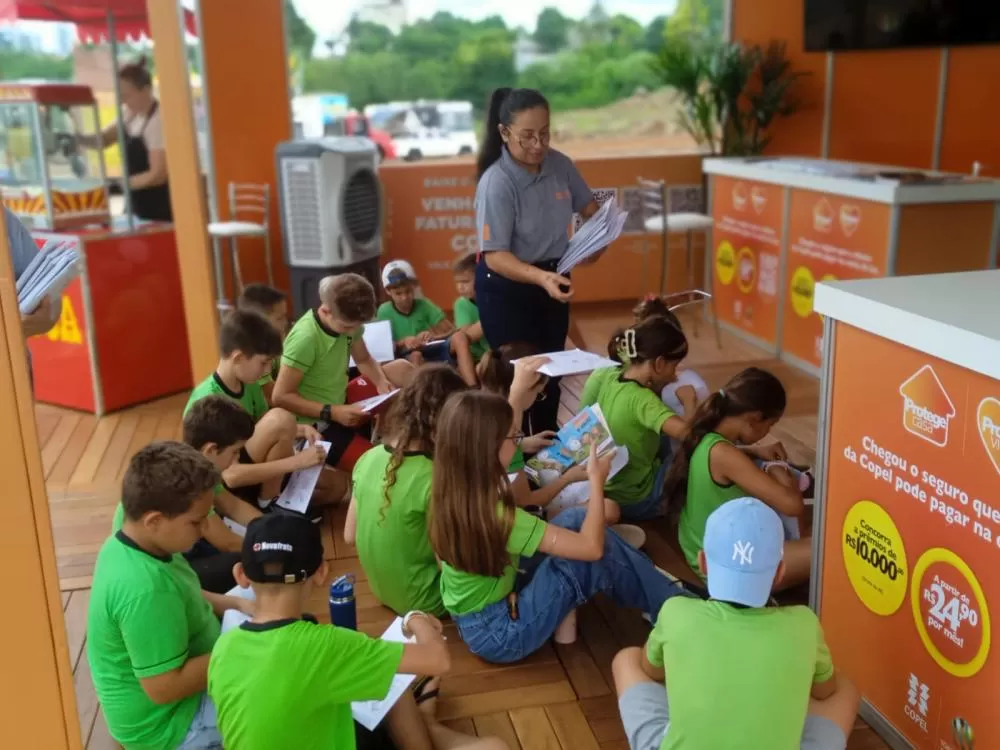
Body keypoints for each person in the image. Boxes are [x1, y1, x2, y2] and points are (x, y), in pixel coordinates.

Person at [207, 513, 506, 750]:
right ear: (322, 572)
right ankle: (427, 723)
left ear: (241, 575)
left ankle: (425, 722)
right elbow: (437, 659)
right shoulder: (326, 646)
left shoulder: (224, 646)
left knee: (383, 675)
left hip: (313, 728)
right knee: (495, 746)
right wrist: (415, 619)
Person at [428, 390, 685, 664]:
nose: (517, 444)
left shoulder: (449, 492)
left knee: (576, 520)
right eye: (512, 437)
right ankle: (674, 605)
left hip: (478, 614)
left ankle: (663, 593)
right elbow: (592, 549)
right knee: (588, 558)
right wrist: (596, 481)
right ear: (487, 448)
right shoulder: (498, 517)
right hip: (502, 634)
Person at [611, 498, 859, 750]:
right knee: (845, 690)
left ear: (703, 562)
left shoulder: (675, 612)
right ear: (780, 572)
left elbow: (651, 670)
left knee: (627, 659)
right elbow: (825, 692)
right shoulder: (805, 624)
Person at [87, 442, 256, 750]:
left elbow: (187, 593)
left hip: (177, 690)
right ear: (154, 520)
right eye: (196, 521)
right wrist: (246, 648)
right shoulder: (146, 589)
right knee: (283, 690)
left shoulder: (137, 537)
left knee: (259, 596)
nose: (205, 527)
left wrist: (238, 602)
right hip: (172, 724)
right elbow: (165, 688)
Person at [474, 87, 605, 434]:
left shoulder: (560, 165)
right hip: (507, 289)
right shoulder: (497, 183)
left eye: (544, 133)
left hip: (553, 279)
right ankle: (511, 460)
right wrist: (540, 278)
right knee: (517, 379)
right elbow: (495, 256)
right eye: (527, 136)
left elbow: (591, 211)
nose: (538, 144)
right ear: (504, 133)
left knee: (552, 376)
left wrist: (597, 240)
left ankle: (545, 460)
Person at [662, 368, 813, 589]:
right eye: (769, 425)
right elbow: (793, 505)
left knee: (816, 533)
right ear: (754, 419)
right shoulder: (725, 454)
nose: (768, 432)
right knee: (824, 551)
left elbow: (727, 458)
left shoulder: (706, 435)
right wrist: (779, 469)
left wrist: (754, 451)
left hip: (705, 552)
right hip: (725, 570)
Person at [344, 364, 469, 616]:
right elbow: (447, 565)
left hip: (382, 591)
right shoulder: (436, 476)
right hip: (428, 601)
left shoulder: (369, 457)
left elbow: (349, 535)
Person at [110, 396, 261, 593]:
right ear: (211, 449)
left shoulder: (193, 467)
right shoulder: (189, 483)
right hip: (161, 567)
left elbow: (233, 506)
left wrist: (273, 528)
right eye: (235, 451)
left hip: (175, 550)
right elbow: (227, 542)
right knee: (243, 562)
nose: (238, 458)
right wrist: (271, 547)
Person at [185, 309, 333, 510]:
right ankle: (269, 503)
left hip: (254, 466)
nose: (266, 371)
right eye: (263, 363)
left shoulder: (249, 381)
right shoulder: (209, 400)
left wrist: (302, 429)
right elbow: (231, 475)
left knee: (336, 487)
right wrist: (297, 461)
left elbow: (262, 425)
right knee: (281, 419)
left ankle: (271, 501)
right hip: (224, 490)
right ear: (237, 358)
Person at [272, 273, 415, 473]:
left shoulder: (350, 323)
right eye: (347, 327)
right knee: (381, 469)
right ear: (325, 310)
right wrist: (333, 412)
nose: (352, 332)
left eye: (357, 327)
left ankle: (405, 435)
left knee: (402, 369)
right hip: (316, 423)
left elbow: (364, 359)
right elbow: (280, 396)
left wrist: (381, 382)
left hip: (341, 402)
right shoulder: (305, 338)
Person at [579, 315, 690, 521]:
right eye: (674, 367)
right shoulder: (644, 402)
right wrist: (690, 401)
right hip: (638, 499)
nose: (675, 375)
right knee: (693, 455)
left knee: (661, 434)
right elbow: (691, 435)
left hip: (608, 488)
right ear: (659, 363)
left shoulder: (611, 376)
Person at [81, 57, 171, 221]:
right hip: (135, 203)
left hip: (159, 207)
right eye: (120, 96)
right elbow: (104, 140)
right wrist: (77, 139)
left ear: (146, 90)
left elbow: (158, 174)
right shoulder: (129, 114)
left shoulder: (157, 122)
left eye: (127, 95)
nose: (122, 101)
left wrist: (121, 185)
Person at [377, 260, 477, 386]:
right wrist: (404, 342)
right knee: (416, 355)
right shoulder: (384, 311)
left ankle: (472, 387)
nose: (404, 297)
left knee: (460, 338)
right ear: (388, 291)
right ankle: (425, 393)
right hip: (405, 355)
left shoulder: (424, 305)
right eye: (398, 293)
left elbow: (452, 330)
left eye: (408, 291)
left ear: (413, 287)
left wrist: (432, 336)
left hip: (431, 348)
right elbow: (384, 349)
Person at [237, 283, 290, 403]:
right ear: (258, 322)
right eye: (280, 318)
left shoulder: (274, 344)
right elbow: (272, 396)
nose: (286, 323)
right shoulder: (254, 354)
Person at [452, 252, 489, 362]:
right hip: (476, 357)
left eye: (465, 281)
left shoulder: (492, 298)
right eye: (457, 282)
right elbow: (467, 336)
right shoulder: (461, 304)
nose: (460, 287)